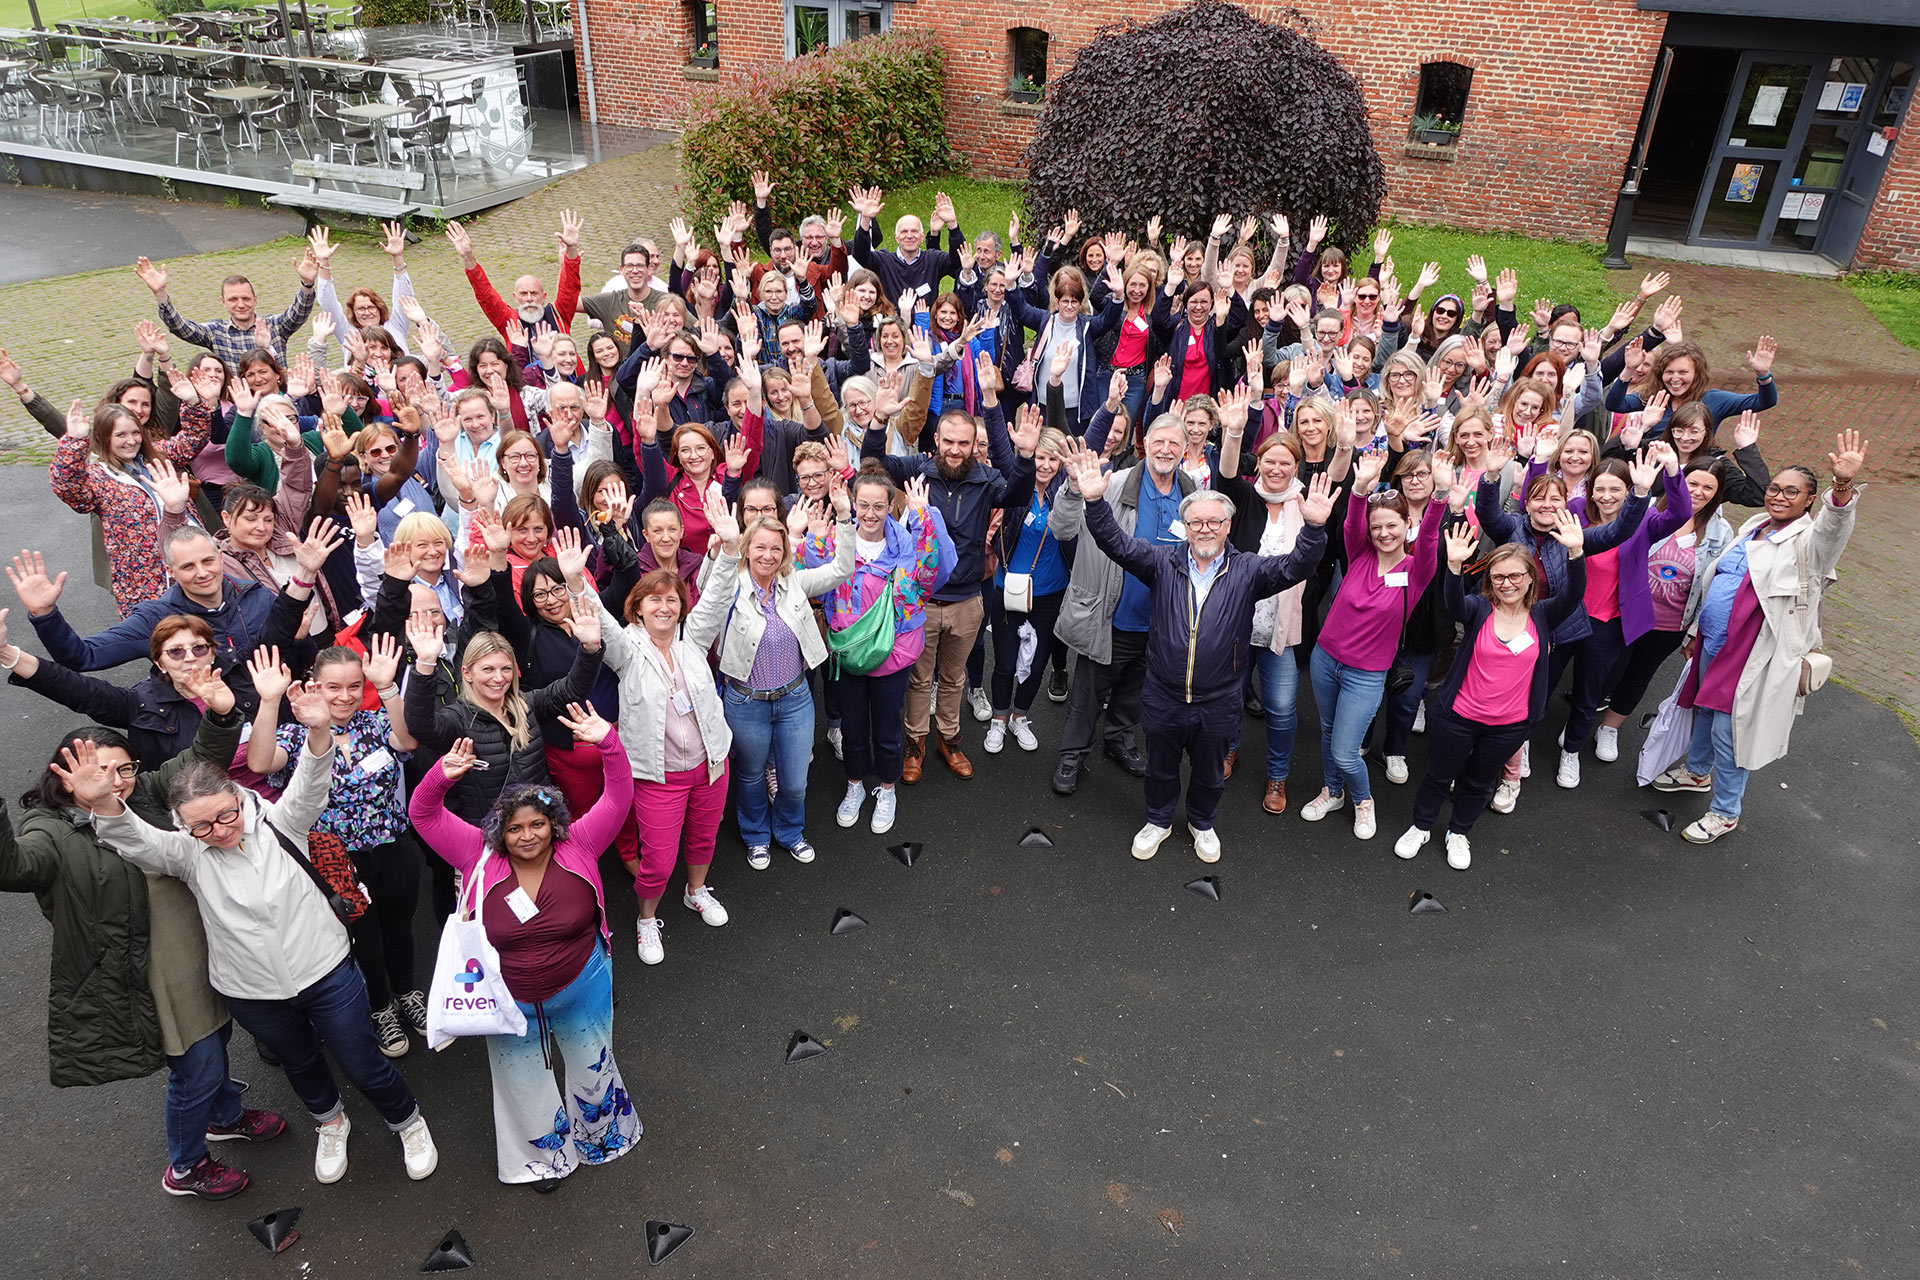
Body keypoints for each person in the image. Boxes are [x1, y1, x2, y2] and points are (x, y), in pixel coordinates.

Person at [63, 685, 438, 1186]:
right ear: (181, 825)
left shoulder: (284, 824)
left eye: (227, 815)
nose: (219, 831)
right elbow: (135, 839)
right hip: (252, 992)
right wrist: (104, 806)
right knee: (301, 1064)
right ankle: (331, 1123)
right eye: (201, 826)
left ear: (240, 800)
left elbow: (309, 781)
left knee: (363, 1062)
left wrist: (319, 729)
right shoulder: (185, 854)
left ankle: (407, 1121)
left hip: (326, 973)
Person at [0, 675, 286, 1201]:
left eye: (123, 767)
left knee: (218, 1041)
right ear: (65, 775)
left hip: (202, 953)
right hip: (148, 973)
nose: (115, 780)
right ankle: (186, 1165)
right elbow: (14, 868)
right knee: (195, 1067)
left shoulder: (152, 793)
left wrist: (223, 714)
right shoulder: (52, 831)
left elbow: (202, 758)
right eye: (98, 769)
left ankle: (224, 1116)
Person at [1064, 442, 1332, 862]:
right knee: (1160, 768)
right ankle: (1158, 820)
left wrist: (1314, 529)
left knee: (1209, 774)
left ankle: (1202, 823)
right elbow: (1114, 543)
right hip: (1163, 694)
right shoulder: (1160, 561)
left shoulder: (1249, 569)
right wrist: (1096, 500)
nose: (1205, 529)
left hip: (1220, 699)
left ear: (1228, 525)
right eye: (1195, 522)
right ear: (1184, 526)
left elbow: (1296, 566)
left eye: (1214, 522)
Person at [409, 709, 641, 1188]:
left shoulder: (580, 842)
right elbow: (422, 815)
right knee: (522, 1084)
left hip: (582, 984)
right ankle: (544, 1161)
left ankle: (602, 1138)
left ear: (553, 823)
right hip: (507, 998)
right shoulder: (476, 852)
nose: (527, 835)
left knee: (592, 1064)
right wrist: (440, 776)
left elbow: (620, 795)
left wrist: (609, 743)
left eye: (537, 824)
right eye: (515, 829)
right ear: (499, 832)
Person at [1653, 433, 1867, 844]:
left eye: (1792, 492)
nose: (1779, 496)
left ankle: (1725, 812)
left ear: (1809, 500)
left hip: (1755, 652)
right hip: (1716, 641)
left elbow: (1835, 526)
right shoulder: (1755, 525)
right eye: (1774, 488)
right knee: (1702, 709)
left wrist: (1842, 488)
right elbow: (1721, 579)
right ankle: (1697, 773)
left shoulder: (1811, 541)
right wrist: (1699, 631)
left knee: (1731, 730)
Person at [245, 639, 423, 1059]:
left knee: (399, 928)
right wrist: (270, 702)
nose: (344, 697)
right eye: (333, 687)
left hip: (392, 845)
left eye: (353, 686)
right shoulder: (295, 735)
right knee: (364, 939)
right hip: (335, 860)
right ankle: (380, 1008)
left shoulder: (375, 723)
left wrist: (390, 688)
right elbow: (259, 762)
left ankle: (407, 994)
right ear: (314, 687)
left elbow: (408, 741)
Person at [575, 504, 736, 966]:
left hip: (710, 767)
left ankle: (697, 891)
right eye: (654, 601)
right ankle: (647, 917)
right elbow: (601, 623)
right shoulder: (627, 650)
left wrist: (729, 547)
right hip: (657, 777)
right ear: (638, 610)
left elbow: (718, 594)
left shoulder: (694, 641)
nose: (665, 606)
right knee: (658, 861)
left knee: (703, 841)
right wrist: (574, 580)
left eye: (671, 600)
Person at [859, 376, 1039, 783]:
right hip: (919, 603)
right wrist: (877, 423)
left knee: (954, 678)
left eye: (964, 443)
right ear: (936, 439)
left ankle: (950, 739)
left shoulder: (987, 479)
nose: (956, 451)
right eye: (948, 442)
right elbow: (871, 467)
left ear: (974, 444)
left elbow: (1018, 493)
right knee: (920, 679)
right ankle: (915, 743)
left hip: (967, 602)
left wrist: (1025, 457)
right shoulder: (915, 472)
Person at [1394, 519, 1589, 869]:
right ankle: (1421, 826)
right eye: (1499, 577)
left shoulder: (1543, 614)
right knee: (1439, 775)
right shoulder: (1479, 608)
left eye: (1515, 576)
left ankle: (1458, 832)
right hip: (1458, 716)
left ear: (1531, 578)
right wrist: (1453, 568)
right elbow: (1454, 604)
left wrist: (1576, 552)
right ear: (1490, 581)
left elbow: (1574, 594)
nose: (1507, 583)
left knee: (1479, 782)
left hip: (1509, 726)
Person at [702, 476, 857, 869]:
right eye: (759, 547)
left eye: (776, 547)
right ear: (746, 550)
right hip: (744, 701)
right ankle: (756, 837)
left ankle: (789, 831)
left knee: (794, 780)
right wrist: (720, 546)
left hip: (794, 699)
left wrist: (844, 516)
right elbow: (706, 589)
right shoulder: (730, 587)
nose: (768, 555)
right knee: (752, 775)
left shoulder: (795, 583)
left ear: (785, 551)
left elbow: (842, 568)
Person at [1300, 449, 1454, 840]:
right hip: (1325, 659)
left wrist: (1439, 498)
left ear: (1407, 526)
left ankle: (1363, 800)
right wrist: (1360, 488)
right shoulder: (1359, 554)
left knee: (1345, 750)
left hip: (1366, 674)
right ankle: (1332, 791)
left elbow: (1432, 534)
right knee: (1328, 731)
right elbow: (1351, 522)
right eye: (1377, 528)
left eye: (1392, 526)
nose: (1384, 534)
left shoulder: (1417, 569)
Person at [1048, 414, 1195, 795]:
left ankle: (1119, 742)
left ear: (1184, 449)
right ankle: (1071, 756)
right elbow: (1062, 528)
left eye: (1173, 444)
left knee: (1134, 690)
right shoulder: (1111, 485)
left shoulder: (1189, 490)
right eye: (1159, 441)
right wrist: (1072, 489)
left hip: (1161, 622)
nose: (1166, 450)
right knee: (1088, 695)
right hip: (1111, 615)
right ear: (1145, 443)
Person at [807, 471, 954, 835]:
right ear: (853, 504)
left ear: (892, 506)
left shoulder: (908, 543)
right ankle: (855, 785)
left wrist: (923, 515)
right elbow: (810, 579)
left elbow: (931, 574)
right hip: (848, 653)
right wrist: (810, 539)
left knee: (888, 731)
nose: (870, 513)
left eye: (878, 505)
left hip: (894, 655)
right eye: (863, 505)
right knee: (853, 730)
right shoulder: (836, 540)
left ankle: (887, 790)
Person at [1594, 459, 1735, 752]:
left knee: (1638, 675)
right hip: (1625, 612)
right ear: (1678, 481)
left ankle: (1609, 729)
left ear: (1718, 493)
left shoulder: (1722, 533)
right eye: (1692, 483)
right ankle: (1583, 714)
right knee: (1610, 669)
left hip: (1670, 624)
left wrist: (1696, 630)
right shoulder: (1648, 513)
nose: (1699, 492)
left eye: (1709, 487)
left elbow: (1714, 585)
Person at [51, 392, 212, 615]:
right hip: (146, 581)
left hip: (194, 562)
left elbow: (194, 438)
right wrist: (74, 442)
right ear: (105, 437)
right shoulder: (98, 476)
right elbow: (68, 488)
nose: (131, 440)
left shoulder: (157, 456)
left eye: (136, 433)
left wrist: (193, 403)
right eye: (121, 435)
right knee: (169, 641)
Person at [135, 248, 319, 368]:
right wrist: (160, 293)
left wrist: (307, 283)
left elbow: (299, 311)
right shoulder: (216, 332)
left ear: (255, 300)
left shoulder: (274, 325)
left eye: (246, 298)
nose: (240, 304)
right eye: (233, 299)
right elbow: (181, 328)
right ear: (223, 302)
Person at [447, 212, 583, 344]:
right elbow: (486, 296)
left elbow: (570, 287)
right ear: (515, 297)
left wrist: (571, 249)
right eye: (523, 293)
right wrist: (468, 257)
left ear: (544, 296)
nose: (529, 298)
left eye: (534, 293)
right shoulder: (509, 321)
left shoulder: (559, 314)